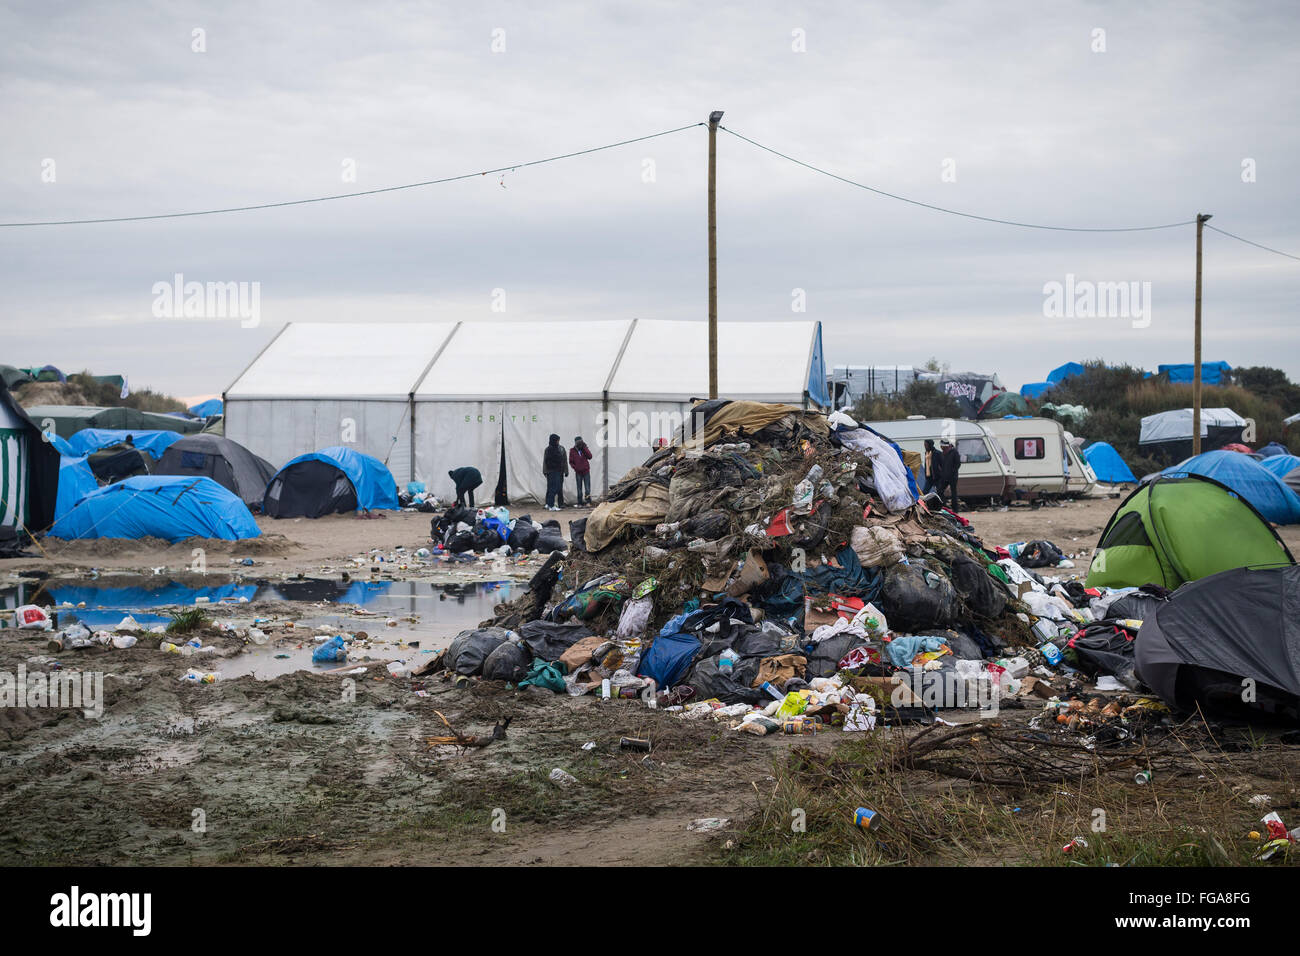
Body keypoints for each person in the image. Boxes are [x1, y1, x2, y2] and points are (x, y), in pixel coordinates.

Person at [543, 434, 568, 511]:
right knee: (553, 488)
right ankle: (550, 505)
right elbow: (547, 461)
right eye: (557, 440)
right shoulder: (550, 449)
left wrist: (565, 470)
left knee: (555, 488)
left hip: (556, 471)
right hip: (554, 471)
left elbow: (564, 461)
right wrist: (545, 471)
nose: (558, 442)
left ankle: (553, 504)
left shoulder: (559, 448)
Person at [935, 440, 962, 512]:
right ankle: (943, 505)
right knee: (939, 490)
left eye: (942, 446)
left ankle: (955, 509)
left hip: (953, 476)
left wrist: (952, 472)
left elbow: (958, 464)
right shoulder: (943, 453)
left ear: (945, 446)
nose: (941, 448)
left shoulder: (954, 452)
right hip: (944, 476)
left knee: (953, 492)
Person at [569, 436, 593, 506]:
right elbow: (571, 461)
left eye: (581, 442)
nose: (580, 444)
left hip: (586, 471)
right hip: (578, 472)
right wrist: (575, 468)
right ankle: (580, 502)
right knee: (579, 489)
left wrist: (584, 448)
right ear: (575, 443)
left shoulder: (584, 448)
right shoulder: (572, 450)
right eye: (578, 442)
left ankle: (588, 501)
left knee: (587, 488)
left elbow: (590, 456)